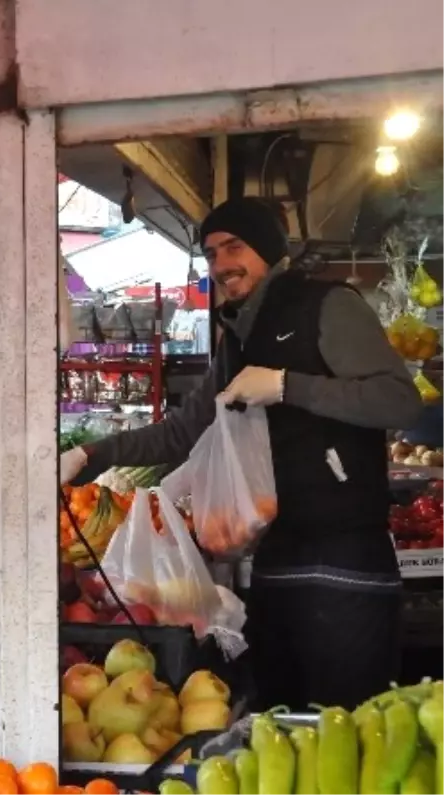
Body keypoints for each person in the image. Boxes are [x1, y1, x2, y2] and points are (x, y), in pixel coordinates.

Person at [60, 196, 422, 711]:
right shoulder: (236, 337)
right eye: (211, 253)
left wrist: (286, 385)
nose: (222, 264)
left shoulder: (328, 305)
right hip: (276, 557)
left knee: (349, 718)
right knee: (281, 712)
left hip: (347, 556)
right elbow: (181, 432)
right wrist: (89, 456)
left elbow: (398, 399)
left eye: (235, 247)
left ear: (269, 251)